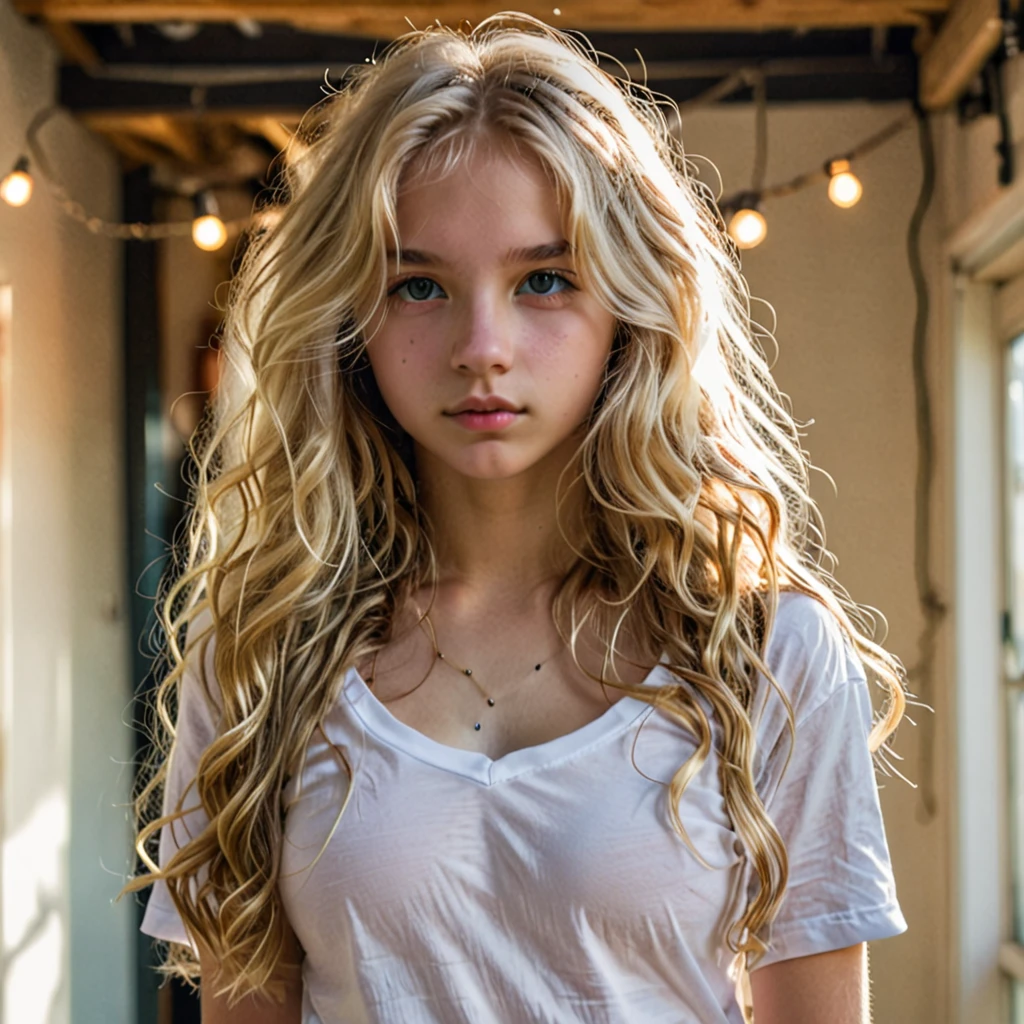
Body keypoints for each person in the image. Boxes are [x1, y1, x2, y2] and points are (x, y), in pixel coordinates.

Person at [119, 12, 911, 1023]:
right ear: (352, 314)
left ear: (628, 301)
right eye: (418, 285)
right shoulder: (260, 651)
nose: (480, 345)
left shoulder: (767, 651)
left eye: (543, 279)